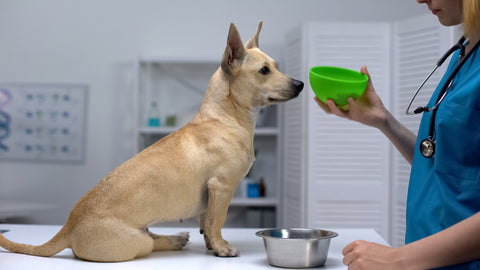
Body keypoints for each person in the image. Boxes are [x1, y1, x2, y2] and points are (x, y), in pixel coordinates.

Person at [315, 0, 480, 269]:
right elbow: (446, 165)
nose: (420, 0)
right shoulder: (464, 54)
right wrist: (385, 121)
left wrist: (397, 258)